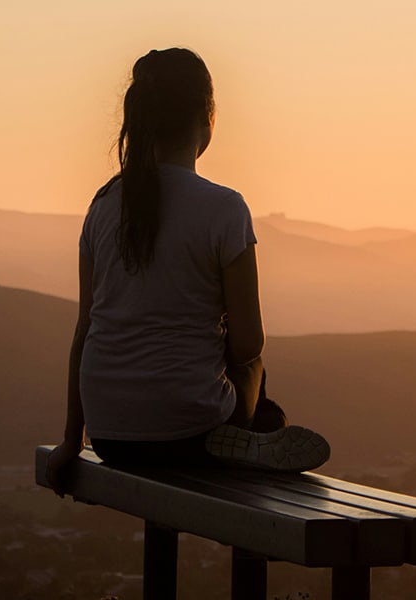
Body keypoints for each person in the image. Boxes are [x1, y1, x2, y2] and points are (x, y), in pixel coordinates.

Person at [45, 48, 329, 495]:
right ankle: (256, 432)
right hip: (191, 433)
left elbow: (85, 331)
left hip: (110, 436)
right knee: (254, 364)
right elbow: (248, 343)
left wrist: (70, 440)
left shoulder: (101, 207)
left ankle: (252, 432)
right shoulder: (224, 208)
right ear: (207, 117)